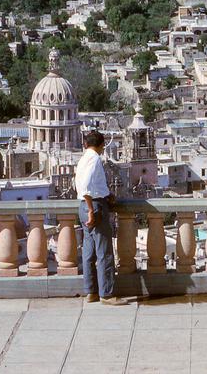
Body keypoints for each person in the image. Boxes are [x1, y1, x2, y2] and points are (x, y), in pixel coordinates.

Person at [75, 130, 127, 306]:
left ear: (85, 144)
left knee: (88, 251)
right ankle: (107, 294)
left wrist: (107, 194)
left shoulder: (83, 159)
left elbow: (88, 185)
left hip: (83, 206)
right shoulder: (95, 159)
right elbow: (87, 186)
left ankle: (91, 291)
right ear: (101, 145)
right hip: (94, 206)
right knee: (104, 251)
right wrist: (92, 209)